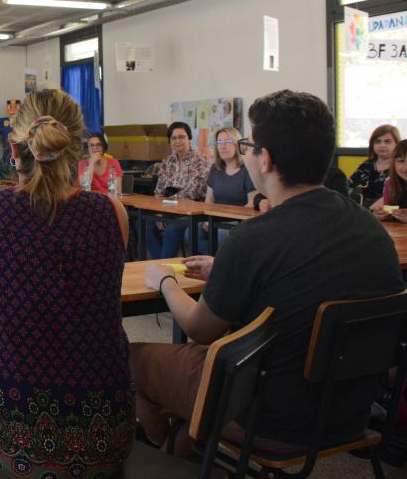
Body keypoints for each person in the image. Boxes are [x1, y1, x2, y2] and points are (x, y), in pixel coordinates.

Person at [131, 90, 403, 455]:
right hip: (349, 416)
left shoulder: (254, 239)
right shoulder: (373, 232)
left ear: (266, 159)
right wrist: (226, 269)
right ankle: (186, 442)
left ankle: (168, 451)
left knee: (131, 358)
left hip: (265, 416)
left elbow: (199, 329)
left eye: (248, 145)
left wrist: (164, 280)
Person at [0, 89, 135, 478]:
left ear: (13, 146)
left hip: (15, 438)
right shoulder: (113, 213)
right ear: (75, 147)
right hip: (106, 435)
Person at [146, 121, 211, 259]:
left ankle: (163, 268)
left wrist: (166, 206)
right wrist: (159, 213)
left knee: (172, 228)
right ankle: (162, 264)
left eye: (182, 137)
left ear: (189, 139)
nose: (178, 141)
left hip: (192, 211)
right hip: (169, 210)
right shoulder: (168, 161)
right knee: (145, 223)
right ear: (169, 142)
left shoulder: (199, 160)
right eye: (174, 138)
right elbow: (159, 190)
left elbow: (193, 192)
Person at [196, 126, 258, 253]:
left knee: (222, 233)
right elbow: (209, 199)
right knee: (191, 232)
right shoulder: (215, 168)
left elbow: (251, 204)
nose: (223, 146)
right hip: (215, 218)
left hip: (239, 221)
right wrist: (209, 219)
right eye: (219, 142)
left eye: (228, 142)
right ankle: (213, 262)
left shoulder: (247, 169)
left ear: (237, 144)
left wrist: (227, 218)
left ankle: (220, 266)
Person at [349, 124, 400, 206]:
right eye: (378, 141)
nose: (382, 145)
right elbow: (348, 188)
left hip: (391, 212)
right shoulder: (366, 165)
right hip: (362, 212)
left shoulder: (402, 168)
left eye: (387, 142)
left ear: (397, 144)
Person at [374, 139, 407, 215]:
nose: (405, 168)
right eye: (401, 161)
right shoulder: (390, 183)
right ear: (393, 163)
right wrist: (383, 214)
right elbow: (390, 210)